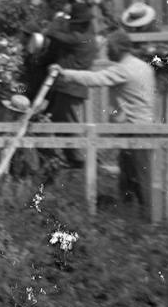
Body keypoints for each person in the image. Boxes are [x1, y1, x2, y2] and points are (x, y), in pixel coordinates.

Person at [53, 30, 157, 211]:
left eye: (108, 47)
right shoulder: (143, 66)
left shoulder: (124, 69)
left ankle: (148, 216)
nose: (106, 52)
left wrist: (65, 74)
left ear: (117, 48)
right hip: (144, 125)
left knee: (138, 175)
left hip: (132, 128)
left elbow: (95, 79)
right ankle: (135, 215)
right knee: (134, 173)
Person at [41, 2, 99, 168]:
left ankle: (77, 159)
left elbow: (55, 35)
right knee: (63, 120)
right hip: (71, 86)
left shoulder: (78, 38)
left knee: (68, 123)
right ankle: (73, 157)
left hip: (71, 86)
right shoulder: (88, 36)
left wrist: (53, 26)